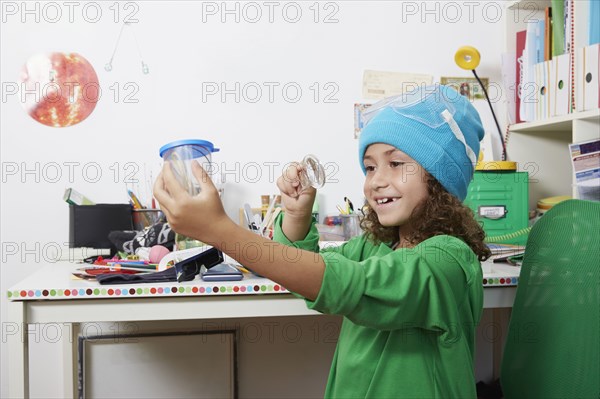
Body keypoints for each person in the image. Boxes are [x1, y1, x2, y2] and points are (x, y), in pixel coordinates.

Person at [154, 84, 491, 398]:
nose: (375, 181)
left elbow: (345, 283)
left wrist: (219, 231)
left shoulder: (449, 260)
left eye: (396, 163)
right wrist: (298, 216)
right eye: (370, 168)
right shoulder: (375, 247)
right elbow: (303, 272)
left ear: (441, 177)